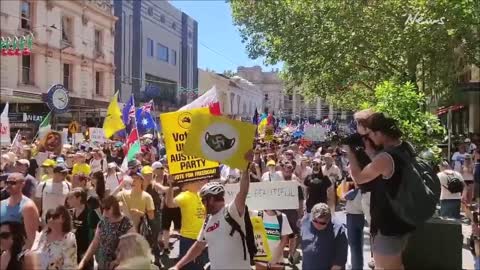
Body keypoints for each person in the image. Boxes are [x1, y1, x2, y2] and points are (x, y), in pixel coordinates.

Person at [346, 112, 416, 270]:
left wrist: (350, 154)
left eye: (370, 133)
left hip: (388, 223)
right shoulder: (405, 147)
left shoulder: (385, 158)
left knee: (385, 267)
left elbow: (359, 178)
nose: (368, 137)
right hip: (402, 218)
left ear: (378, 133)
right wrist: (370, 152)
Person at [174, 153, 253, 270]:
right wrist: (177, 266)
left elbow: (243, 192)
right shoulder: (207, 220)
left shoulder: (231, 211)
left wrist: (245, 170)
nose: (202, 203)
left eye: (203, 200)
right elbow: (199, 246)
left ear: (210, 200)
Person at [79, 196, 135, 270]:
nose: (105, 212)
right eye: (103, 208)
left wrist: (117, 261)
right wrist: (84, 260)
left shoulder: (127, 224)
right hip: (103, 265)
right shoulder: (102, 223)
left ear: (115, 208)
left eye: (108, 208)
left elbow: (131, 248)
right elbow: (95, 243)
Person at [166, 179, 207, 270]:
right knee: (189, 266)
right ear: (187, 185)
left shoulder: (201, 196)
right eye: (194, 181)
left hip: (202, 238)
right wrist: (170, 188)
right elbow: (170, 204)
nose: (198, 182)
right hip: (188, 239)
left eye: (198, 181)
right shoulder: (184, 195)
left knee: (201, 266)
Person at [300, 203, 348, 270]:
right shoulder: (305, 223)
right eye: (315, 221)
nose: (318, 224)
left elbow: (339, 262)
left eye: (322, 223)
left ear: (329, 220)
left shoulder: (338, 230)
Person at [0, 173, 39, 249]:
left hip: (19, 251)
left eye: (13, 183)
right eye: (7, 183)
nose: (9, 185)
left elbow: (32, 238)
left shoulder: (28, 206)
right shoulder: (2, 204)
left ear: (22, 184)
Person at [33, 205, 78, 269]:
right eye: (47, 217)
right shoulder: (43, 234)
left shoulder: (69, 238)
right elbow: (33, 254)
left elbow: (71, 266)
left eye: (53, 217)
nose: (49, 219)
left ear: (62, 219)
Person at [67, 188, 100, 270]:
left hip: (85, 252)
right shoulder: (70, 213)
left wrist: (91, 252)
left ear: (79, 198)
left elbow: (97, 234)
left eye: (71, 197)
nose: (68, 200)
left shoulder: (90, 213)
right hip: (72, 251)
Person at [341, 177, 365, 270]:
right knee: (359, 244)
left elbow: (343, 196)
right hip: (361, 217)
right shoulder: (363, 191)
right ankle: (358, 266)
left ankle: (356, 267)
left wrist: (343, 184)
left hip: (352, 218)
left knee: (353, 245)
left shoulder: (354, 192)